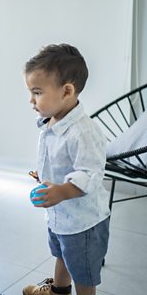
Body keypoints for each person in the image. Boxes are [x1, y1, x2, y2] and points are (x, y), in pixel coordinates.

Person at [22, 44, 110, 295]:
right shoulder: (51, 122)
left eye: (37, 92)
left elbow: (90, 174)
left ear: (67, 91)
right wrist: (45, 176)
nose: (31, 101)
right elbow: (58, 159)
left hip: (83, 222)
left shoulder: (83, 131)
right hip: (61, 217)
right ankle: (58, 291)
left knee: (82, 272)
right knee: (61, 255)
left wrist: (61, 190)